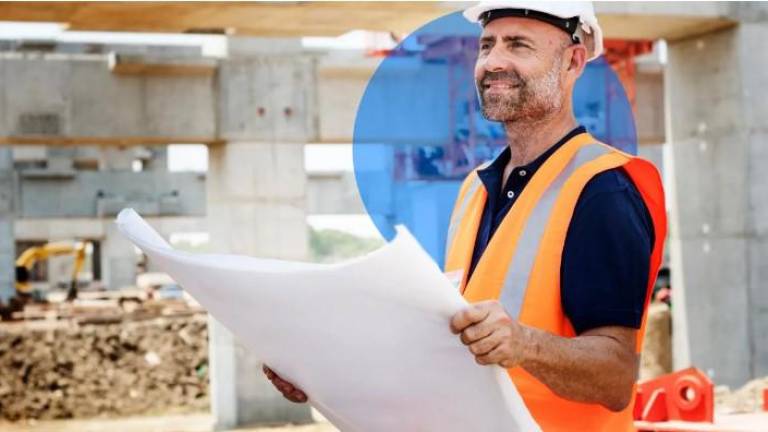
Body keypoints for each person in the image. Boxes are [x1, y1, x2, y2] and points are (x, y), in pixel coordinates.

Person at [266, 2, 667, 430]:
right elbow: (450, 348)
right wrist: (327, 376)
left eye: (518, 45)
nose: (493, 62)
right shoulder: (475, 188)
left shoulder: (602, 188)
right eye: (486, 45)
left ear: (572, 61)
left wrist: (524, 345)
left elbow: (616, 378)